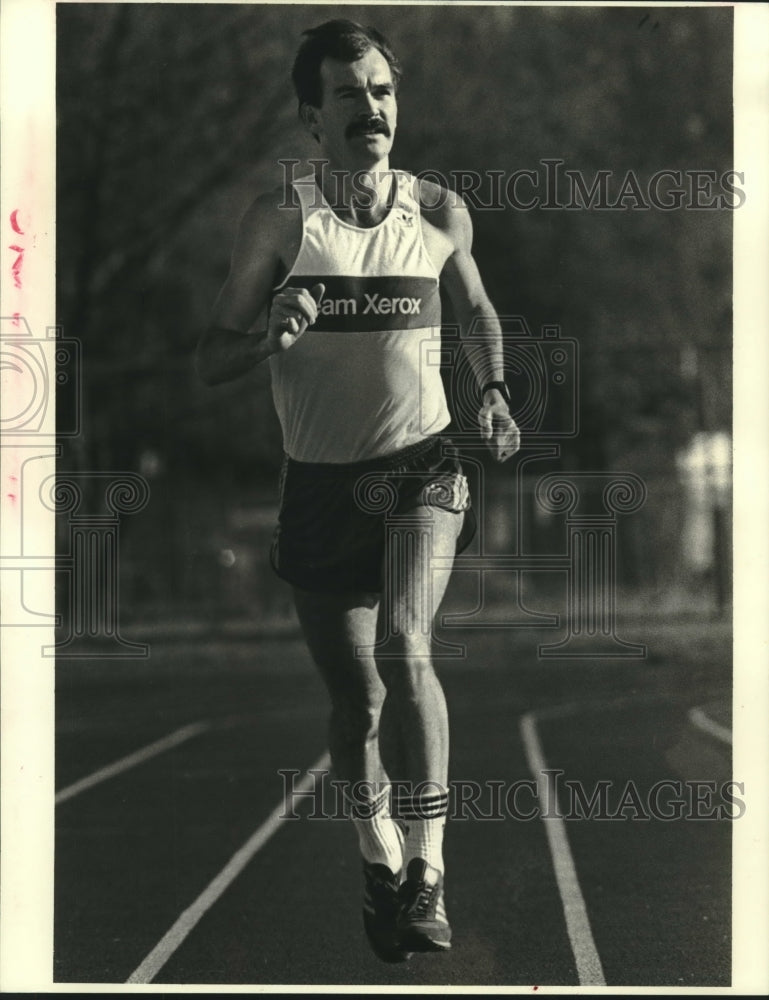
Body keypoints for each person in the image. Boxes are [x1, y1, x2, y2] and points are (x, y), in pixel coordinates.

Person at [196, 19, 520, 962]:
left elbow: (478, 307)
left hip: (421, 467)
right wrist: (267, 333)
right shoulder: (280, 221)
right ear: (312, 117)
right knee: (355, 706)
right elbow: (210, 354)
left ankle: (428, 867)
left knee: (406, 642)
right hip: (319, 487)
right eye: (349, 95)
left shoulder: (438, 210)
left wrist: (493, 392)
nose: (371, 109)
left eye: (381, 91)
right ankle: (378, 856)